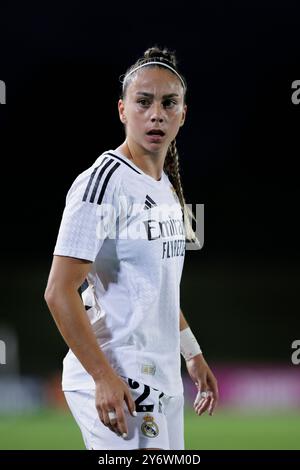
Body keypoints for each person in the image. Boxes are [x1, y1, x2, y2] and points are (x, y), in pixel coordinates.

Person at [44, 45, 218, 451]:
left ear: (183, 114)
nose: (156, 113)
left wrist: (192, 353)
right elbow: (58, 290)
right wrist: (103, 377)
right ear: (122, 110)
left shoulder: (169, 191)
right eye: (143, 102)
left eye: (168, 103)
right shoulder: (102, 182)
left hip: (162, 377)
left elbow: (157, 289)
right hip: (119, 373)